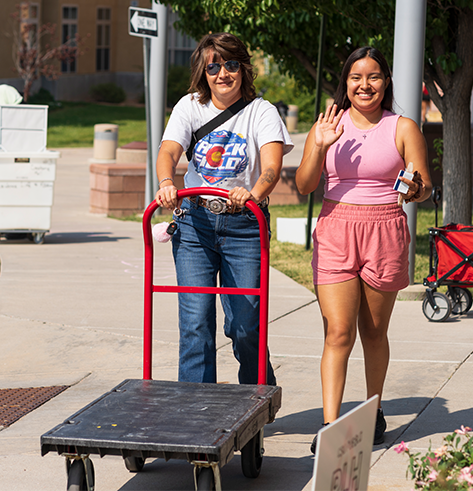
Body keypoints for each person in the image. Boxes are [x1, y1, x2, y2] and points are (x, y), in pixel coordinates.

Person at [295, 46, 431, 450]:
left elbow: (423, 188)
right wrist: (320, 146)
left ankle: (373, 411)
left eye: (373, 76)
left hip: (384, 230)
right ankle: (331, 424)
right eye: (356, 77)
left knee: (373, 332)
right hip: (336, 228)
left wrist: (416, 189)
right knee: (338, 333)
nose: (364, 85)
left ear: (386, 81)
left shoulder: (403, 127)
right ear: (346, 83)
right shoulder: (327, 125)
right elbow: (303, 186)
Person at [155, 32, 293, 385]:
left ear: (244, 69)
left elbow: (271, 166)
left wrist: (255, 192)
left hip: (244, 226)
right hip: (195, 225)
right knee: (195, 323)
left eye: (231, 64)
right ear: (203, 72)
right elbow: (169, 151)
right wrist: (167, 182)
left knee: (245, 326)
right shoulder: (189, 106)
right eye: (213, 66)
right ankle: (197, 415)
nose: (223, 74)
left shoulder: (261, 112)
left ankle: (257, 398)